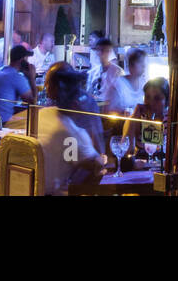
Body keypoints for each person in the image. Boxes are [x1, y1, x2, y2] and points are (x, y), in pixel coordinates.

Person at [37, 62, 104, 194]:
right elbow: (98, 165)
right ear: (76, 103)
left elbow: (69, 154)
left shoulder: (41, 114)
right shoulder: (73, 133)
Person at [0, 45, 35, 120]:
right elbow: (33, 103)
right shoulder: (16, 77)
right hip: (3, 122)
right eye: (27, 59)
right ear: (22, 60)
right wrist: (31, 78)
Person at [122, 76, 169, 157]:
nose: (151, 102)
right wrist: (134, 118)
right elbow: (127, 152)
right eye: (147, 97)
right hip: (141, 167)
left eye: (157, 98)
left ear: (167, 101)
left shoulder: (171, 121)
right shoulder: (136, 119)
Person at [108, 47, 147, 117]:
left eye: (144, 62)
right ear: (131, 65)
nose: (143, 66)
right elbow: (110, 112)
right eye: (140, 62)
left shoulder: (144, 83)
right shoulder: (118, 85)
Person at [87, 38, 124, 108]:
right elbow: (88, 92)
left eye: (104, 50)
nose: (101, 53)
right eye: (99, 50)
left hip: (110, 109)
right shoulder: (92, 73)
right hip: (94, 108)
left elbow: (120, 96)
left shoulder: (118, 72)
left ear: (109, 51)